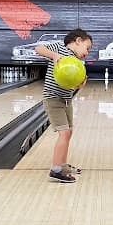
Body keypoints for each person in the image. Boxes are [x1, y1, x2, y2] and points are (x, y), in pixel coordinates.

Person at [35, 29, 93, 183]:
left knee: (69, 132)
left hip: (66, 100)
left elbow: (72, 85)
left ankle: (62, 164)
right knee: (64, 133)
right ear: (78, 40)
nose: (87, 53)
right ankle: (56, 169)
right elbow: (38, 49)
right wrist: (54, 56)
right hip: (53, 99)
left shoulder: (77, 62)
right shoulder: (59, 48)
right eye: (87, 48)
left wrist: (79, 85)